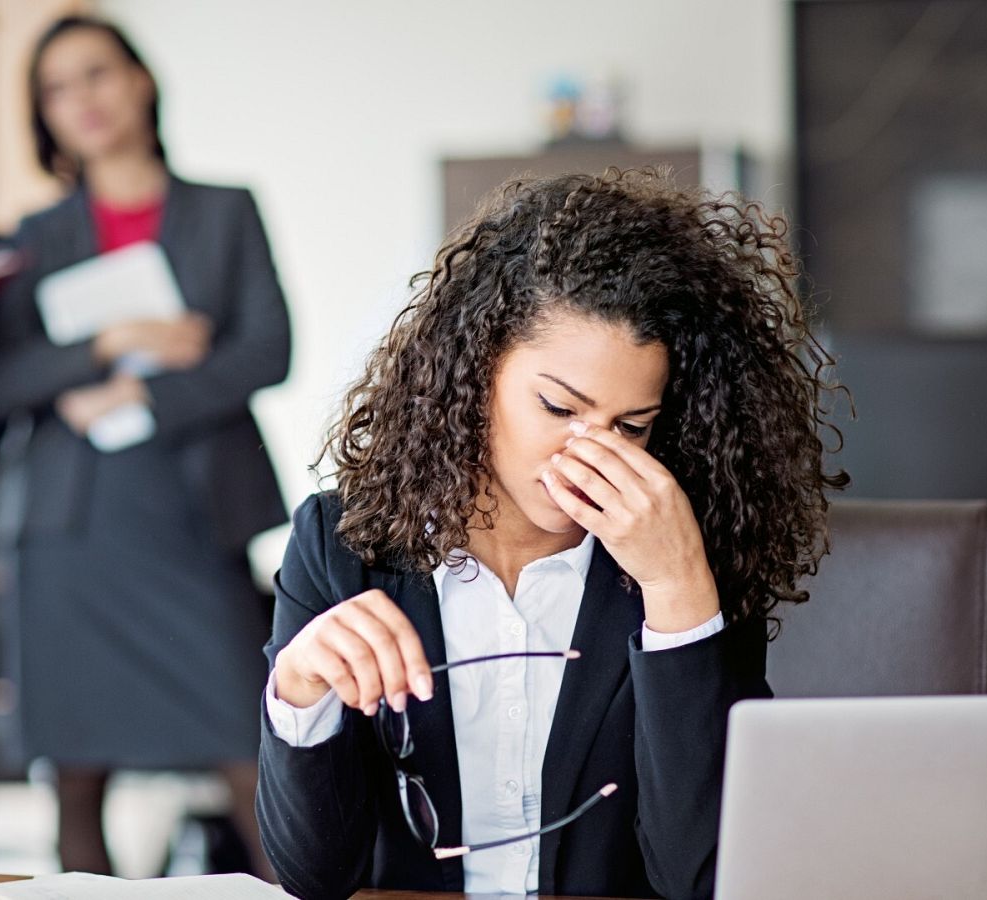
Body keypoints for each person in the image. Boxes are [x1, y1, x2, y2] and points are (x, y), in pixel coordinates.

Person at [256, 169, 848, 899]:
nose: (589, 455)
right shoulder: (342, 542)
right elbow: (313, 876)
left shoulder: (689, 554)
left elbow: (700, 878)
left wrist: (678, 597)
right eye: (559, 408)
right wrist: (299, 688)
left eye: (629, 427)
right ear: (476, 371)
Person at [0, 16, 290, 877]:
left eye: (98, 74)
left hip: (192, 515)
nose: (83, 99)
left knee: (248, 746)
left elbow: (269, 349)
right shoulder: (32, 236)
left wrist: (144, 394)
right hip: (70, 530)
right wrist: (111, 345)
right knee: (76, 779)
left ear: (141, 80)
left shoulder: (226, 211)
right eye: (57, 88)